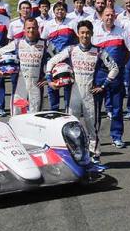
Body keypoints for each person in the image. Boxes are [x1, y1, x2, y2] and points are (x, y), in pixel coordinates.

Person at [47, 20, 118, 161]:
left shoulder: (99, 51)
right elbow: (51, 62)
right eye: (82, 33)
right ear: (78, 34)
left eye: (87, 33)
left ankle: (94, 156)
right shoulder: (71, 49)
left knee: (92, 127)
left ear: (92, 34)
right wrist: (50, 79)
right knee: (69, 125)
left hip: (90, 95)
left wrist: (103, 85)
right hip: (73, 94)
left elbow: (115, 68)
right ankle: (72, 155)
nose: (85, 35)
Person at [0, 17, 55, 114]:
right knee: (16, 115)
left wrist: (48, 77)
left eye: (33, 28)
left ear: (38, 29)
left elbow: (54, 61)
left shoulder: (45, 44)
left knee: (35, 116)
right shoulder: (17, 43)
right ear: (24, 29)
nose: (31, 30)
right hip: (19, 85)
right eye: (28, 28)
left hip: (36, 85)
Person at [93, 7, 130, 148]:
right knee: (96, 108)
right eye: (106, 15)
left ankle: (117, 136)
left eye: (111, 15)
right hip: (99, 74)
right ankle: (94, 137)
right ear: (101, 17)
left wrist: (119, 66)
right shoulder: (95, 32)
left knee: (117, 107)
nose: (109, 17)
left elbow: (128, 52)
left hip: (117, 74)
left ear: (115, 16)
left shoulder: (122, 32)